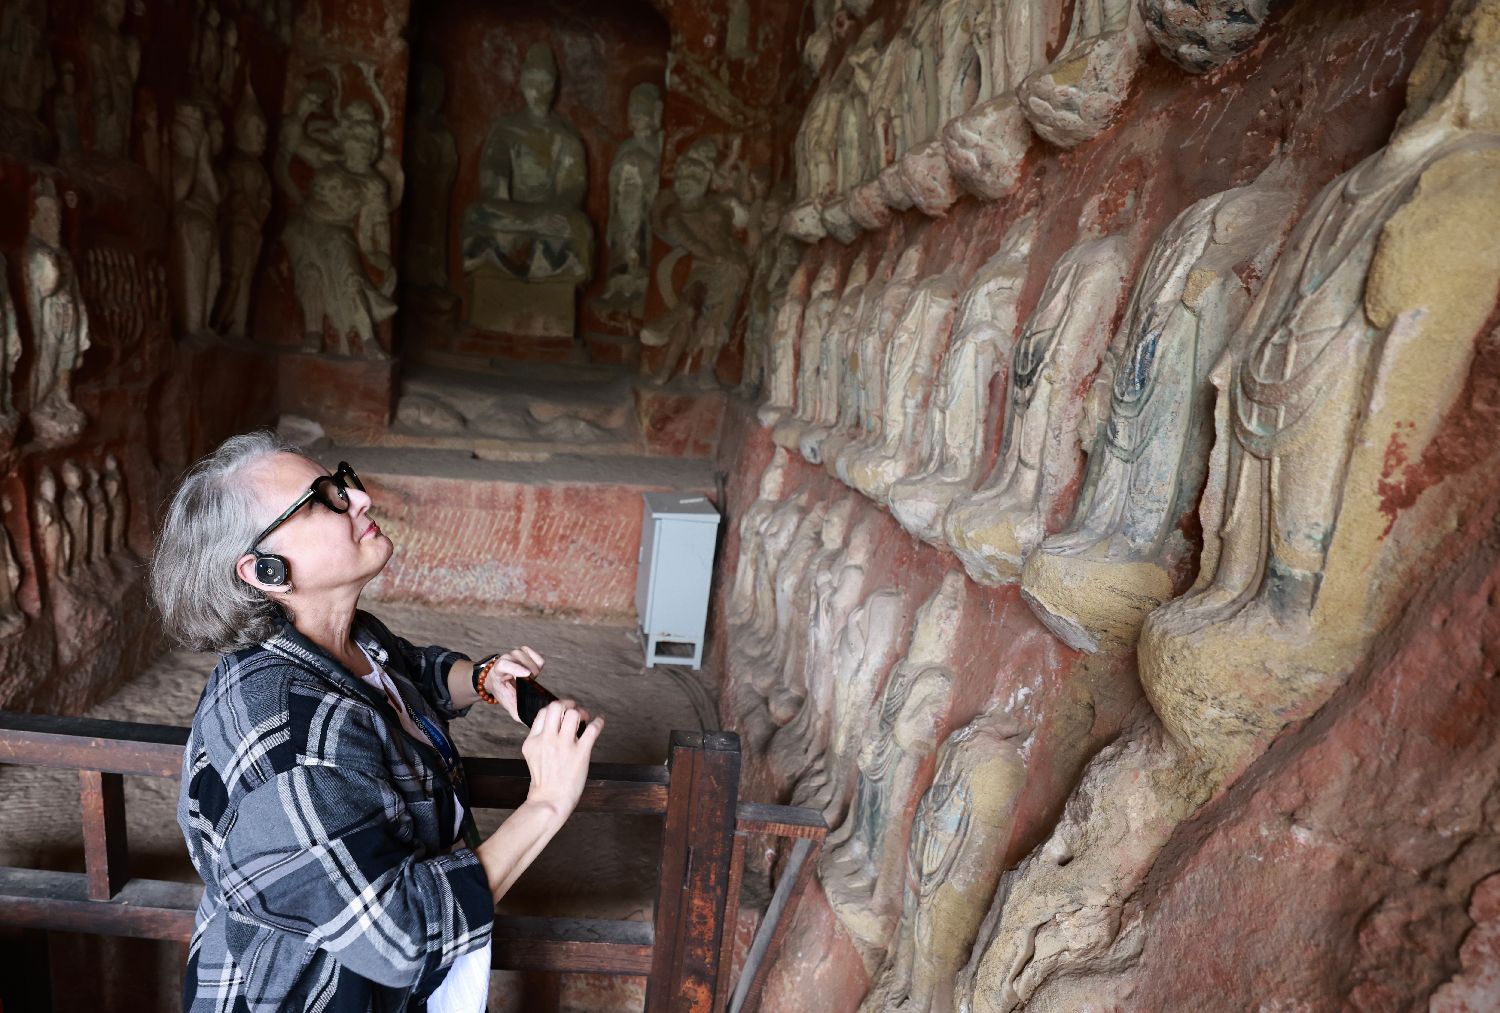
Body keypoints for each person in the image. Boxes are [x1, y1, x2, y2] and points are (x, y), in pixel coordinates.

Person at [150, 431, 603, 1011]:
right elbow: (399, 934)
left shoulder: (344, 637)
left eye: (342, 484)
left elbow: (409, 670)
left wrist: (484, 679)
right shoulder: (291, 738)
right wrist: (547, 803)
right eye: (324, 500)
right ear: (265, 571)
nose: (360, 499)